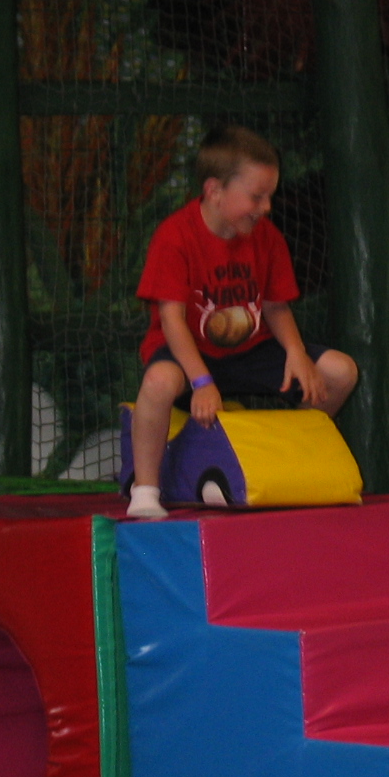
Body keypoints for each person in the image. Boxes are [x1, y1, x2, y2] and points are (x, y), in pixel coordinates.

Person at [126, 124, 359, 519]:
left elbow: (276, 307)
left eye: (269, 196)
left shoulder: (267, 237)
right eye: (256, 196)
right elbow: (172, 320)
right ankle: (145, 490)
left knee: (340, 372)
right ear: (214, 190)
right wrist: (201, 381)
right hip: (190, 353)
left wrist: (297, 353)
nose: (266, 207)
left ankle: (284, 453)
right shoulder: (175, 236)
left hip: (250, 351)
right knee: (158, 383)